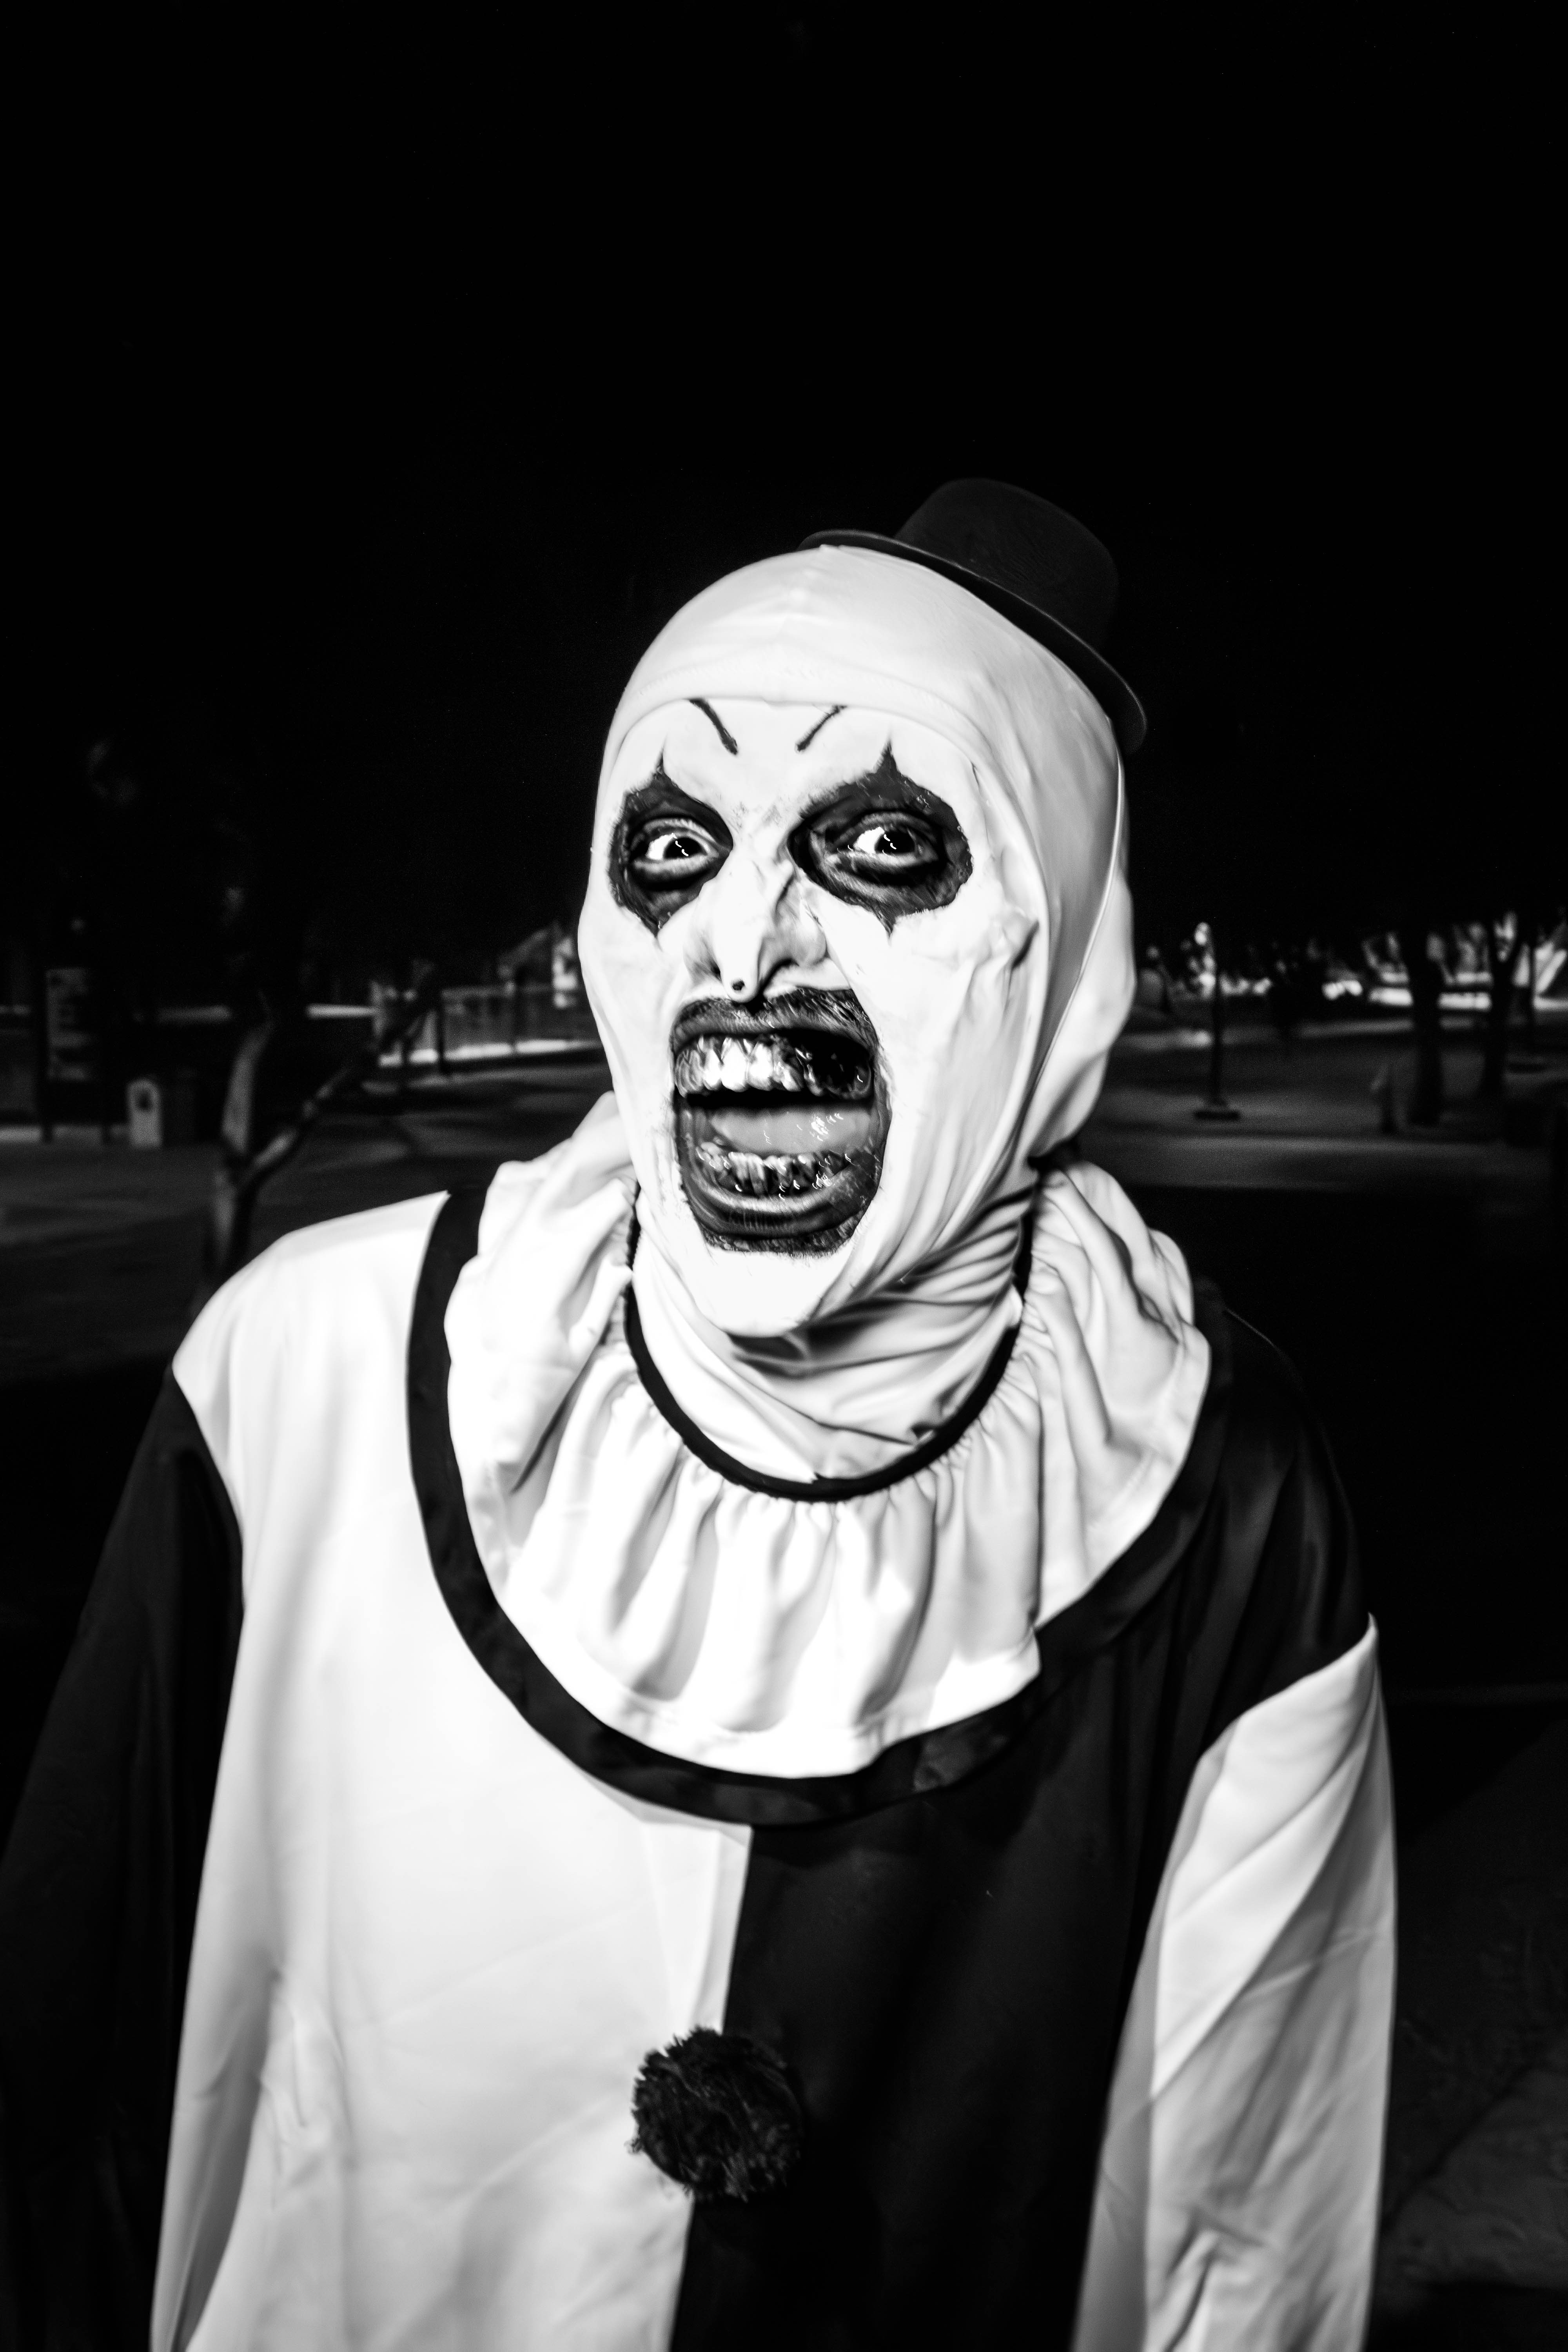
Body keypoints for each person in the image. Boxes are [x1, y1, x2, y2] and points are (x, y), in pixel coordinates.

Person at [0, 482, 1395, 2350]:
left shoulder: (1204, 1480)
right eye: (672, 845)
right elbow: (62, 2096)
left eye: (883, 844)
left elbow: (1244, 2222)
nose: (746, 944)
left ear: (1060, 944)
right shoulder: (300, 1374)